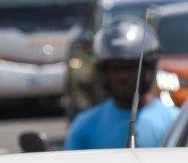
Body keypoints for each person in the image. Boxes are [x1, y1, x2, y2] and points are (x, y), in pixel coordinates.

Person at [64, 19, 179, 150]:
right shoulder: (84, 125)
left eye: (130, 68)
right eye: (115, 69)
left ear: (148, 69)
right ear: (103, 73)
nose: (122, 76)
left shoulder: (176, 122)